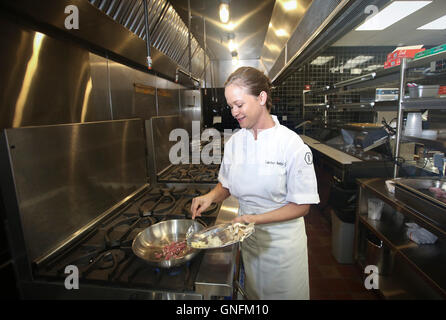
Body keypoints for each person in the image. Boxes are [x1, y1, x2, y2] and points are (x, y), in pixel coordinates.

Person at [190, 66, 320, 300]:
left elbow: (302, 206)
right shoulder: (234, 143)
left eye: (239, 105)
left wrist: (253, 219)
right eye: (231, 106)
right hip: (249, 242)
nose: (234, 112)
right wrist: (210, 197)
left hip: (282, 250)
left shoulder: (291, 145)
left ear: (261, 98)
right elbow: (226, 186)